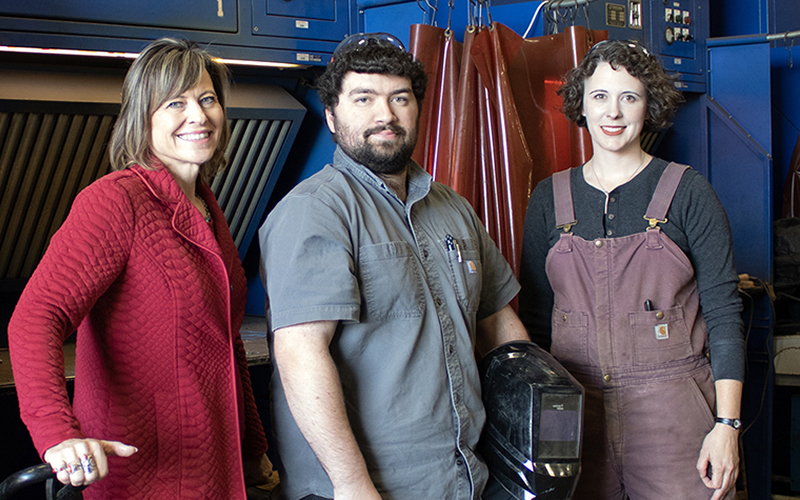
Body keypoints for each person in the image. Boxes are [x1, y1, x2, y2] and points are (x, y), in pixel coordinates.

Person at [258, 33, 530, 500]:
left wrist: (536, 426)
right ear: (332, 116)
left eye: (399, 98)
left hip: (463, 477)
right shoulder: (315, 211)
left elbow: (499, 325)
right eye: (363, 98)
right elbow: (301, 355)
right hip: (368, 487)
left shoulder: (453, 208)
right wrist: (352, 485)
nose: (385, 114)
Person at [8, 37, 277, 499]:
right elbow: (35, 319)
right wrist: (58, 435)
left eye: (207, 99)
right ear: (142, 116)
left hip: (215, 468)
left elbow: (225, 342)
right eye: (176, 102)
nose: (199, 114)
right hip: (143, 474)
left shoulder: (208, 209)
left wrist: (253, 449)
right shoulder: (116, 201)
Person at [518, 39, 745, 500]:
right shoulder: (548, 198)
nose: (613, 112)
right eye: (600, 96)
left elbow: (724, 315)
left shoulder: (688, 192)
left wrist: (727, 425)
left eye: (630, 97)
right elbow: (538, 323)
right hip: (576, 420)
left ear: (649, 106)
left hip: (673, 421)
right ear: (582, 103)